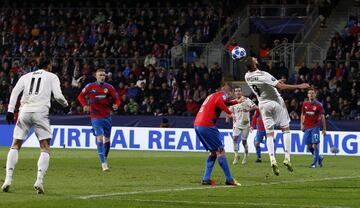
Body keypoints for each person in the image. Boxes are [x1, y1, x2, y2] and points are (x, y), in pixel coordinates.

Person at [2, 58, 69, 194]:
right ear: (49, 65)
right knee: (45, 147)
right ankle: (39, 181)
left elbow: (15, 92)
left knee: (15, 145)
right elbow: (57, 95)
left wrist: (10, 110)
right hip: (40, 112)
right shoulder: (52, 76)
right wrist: (66, 105)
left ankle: (8, 179)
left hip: (24, 112)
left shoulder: (26, 76)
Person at [244, 57, 310, 176]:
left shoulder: (247, 76)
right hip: (276, 102)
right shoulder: (263, 74)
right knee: (286, 129)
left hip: (263, 105)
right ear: (254, 64)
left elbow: (265, 85)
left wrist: (275, 81)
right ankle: (287, 158)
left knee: (269, 133)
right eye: (254, 59)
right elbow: (281, 87)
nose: (256, 58)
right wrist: (299, 86)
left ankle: (272, 159)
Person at [194, 83, 242, 186]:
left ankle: (206, 179)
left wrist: (235, 102)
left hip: (198, 125)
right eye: (232, 93)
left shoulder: (213, 95)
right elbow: (219, 102)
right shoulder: (222, 95)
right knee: (220, 150)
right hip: (207, 125)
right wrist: (230, 113)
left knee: (213, 152)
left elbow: (223, 102)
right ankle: (229, 179)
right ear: (230, 91)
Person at [78, 68, 120, 171]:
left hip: (107, 117)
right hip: (95, 117)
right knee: (100, 138)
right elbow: (80, 97)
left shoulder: (109, 87)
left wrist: (116, 105)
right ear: (96, 76)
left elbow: (117, 99)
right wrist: (84, 105)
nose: (102, 77)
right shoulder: (90, 86)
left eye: (104, 75)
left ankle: (104, 157)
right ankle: (103, 163)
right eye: (100, 75)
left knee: (108, 139)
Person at [226, 87, 257, 165]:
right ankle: (236, 155)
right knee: (235, 138)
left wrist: (248, 110)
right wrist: (231, 116)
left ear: (241, 92)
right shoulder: (233, 102)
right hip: (237, 123)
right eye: (236, 91)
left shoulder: (247, 100)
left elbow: (256, 107)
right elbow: (229, 113)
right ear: (234, 93)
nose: (238, 92)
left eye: (239, 91)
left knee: (244, 142)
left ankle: (246, 155)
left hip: (246, 124)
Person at [300, 89, 326, 168]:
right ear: (307, 95)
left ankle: (315, 163)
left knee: (315, 145)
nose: (311, 94)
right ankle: (319, 158)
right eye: (309, 93)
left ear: (315, 95)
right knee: (309, 146)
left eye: (312, 93)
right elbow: (302, 114)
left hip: (315, 127)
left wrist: (324, 129)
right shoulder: (304, 104)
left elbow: (322, 116)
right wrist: (302, 125)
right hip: (307, 127)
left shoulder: (318, 105)